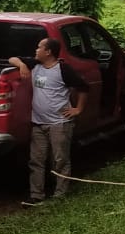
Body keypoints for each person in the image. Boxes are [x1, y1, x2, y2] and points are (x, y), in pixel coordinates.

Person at [9, 38, 88, 206]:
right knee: (36, 160)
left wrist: (78, 109)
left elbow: (83, 87)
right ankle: (36, 195)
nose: (36, 50)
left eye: (39, 47)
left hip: (59, 123)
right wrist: (22, 65)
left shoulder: (63, 70)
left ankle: (60, 195)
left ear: (48, 52)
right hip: (38, 123)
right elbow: (12, 59)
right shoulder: (35, 65)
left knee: (60, 160)